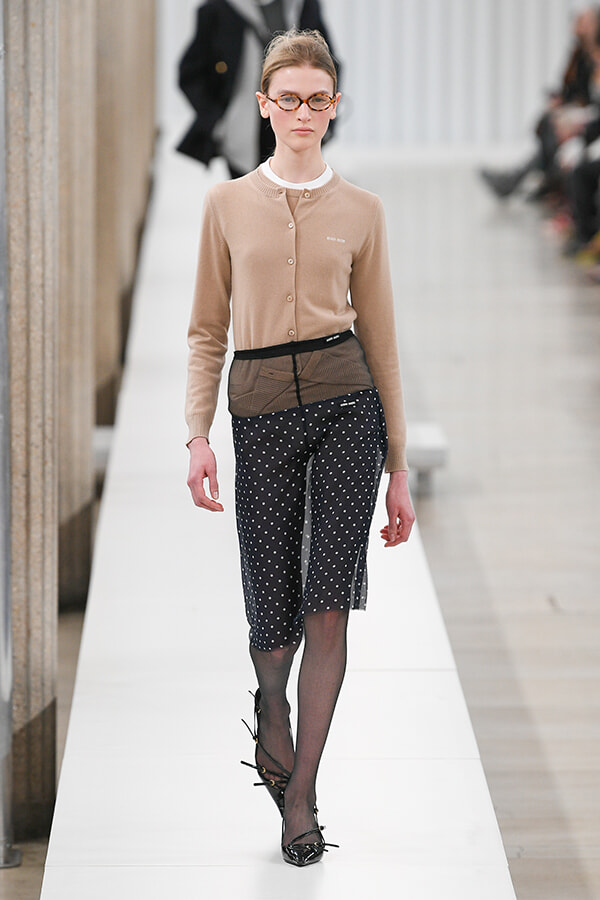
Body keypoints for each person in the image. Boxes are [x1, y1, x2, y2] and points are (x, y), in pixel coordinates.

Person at [185, 28, 414, 867]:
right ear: (264, 105)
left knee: (328, 602)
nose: (304, 113)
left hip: (348, 407)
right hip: (260, 411)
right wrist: (196, 435)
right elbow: (206, 331)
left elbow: (382, 341)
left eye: (318, 99)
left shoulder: (363, 212)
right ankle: (271, 703)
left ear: (334, 106)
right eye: (289, 99)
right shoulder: (226, 206)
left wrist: (398, 467)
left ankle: (302, 794)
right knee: (272, 609)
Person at [176, 0, 339, 178]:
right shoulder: (218, 10)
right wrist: (217, 119)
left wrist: (322, 111)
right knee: (247, 190)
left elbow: (329, 64)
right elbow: (191, 73)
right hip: (241, 131)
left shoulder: (304, 6)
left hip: (297, 125)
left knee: (296, 185)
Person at [480, 6, 599, 200]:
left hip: (589, 117)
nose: (578, 27)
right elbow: (572, 89)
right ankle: (547, 184)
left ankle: (536, 183)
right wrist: (561, 102)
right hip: (583, 113)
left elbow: (591, 99)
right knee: (548, 123)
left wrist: (577, 116)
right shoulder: (580, 55)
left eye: (584, 22)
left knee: (555, 129)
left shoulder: (591, 57)